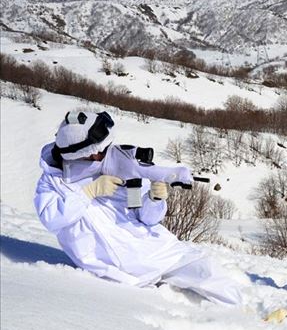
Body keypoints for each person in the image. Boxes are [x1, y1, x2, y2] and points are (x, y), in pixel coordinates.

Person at [34, 111, 243, 305]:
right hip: (112, 269)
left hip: (153, 250)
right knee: (166, 313)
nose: (104, 155)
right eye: (100, 152)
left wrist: (154, 199)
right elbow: (52, 220)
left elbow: (147, 219)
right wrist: (87, 193)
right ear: (79, 153)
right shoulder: (51, 183)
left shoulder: (113, 165)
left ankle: (251, 320)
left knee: (208, 272)